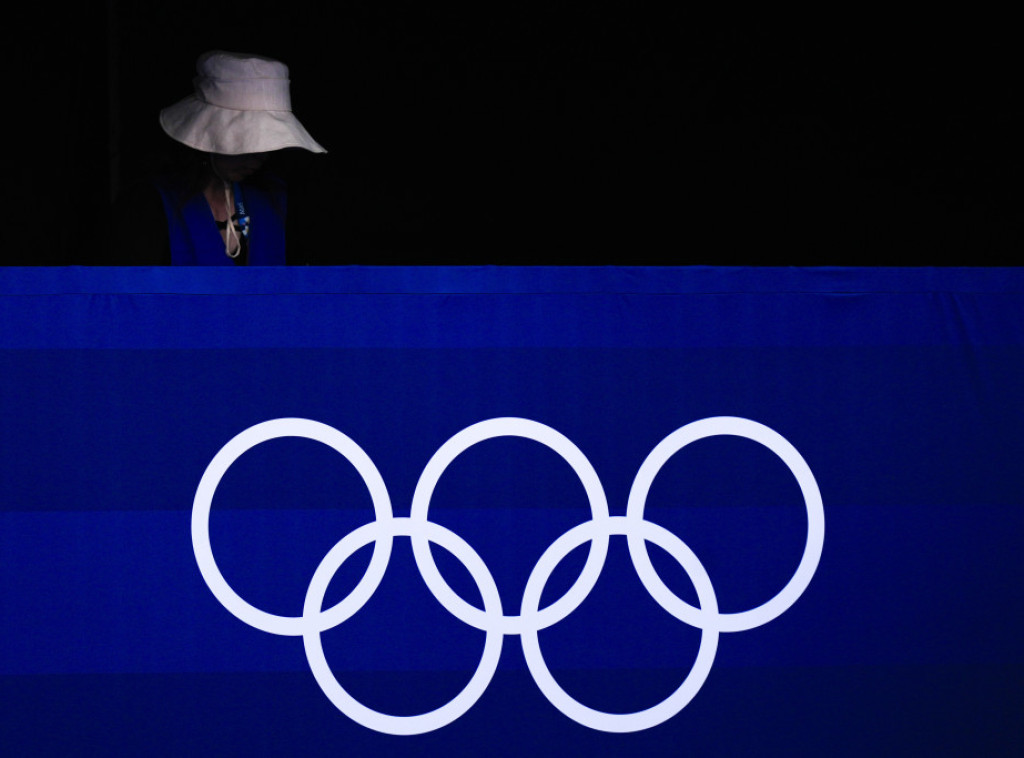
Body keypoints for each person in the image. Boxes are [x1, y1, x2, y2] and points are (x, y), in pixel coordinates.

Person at [113, 50, 326, 265]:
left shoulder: (277, 198)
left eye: (268, 144)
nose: (259, 157)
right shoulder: (150, 203)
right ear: (210, 135)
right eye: (246, 144)